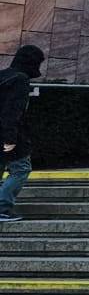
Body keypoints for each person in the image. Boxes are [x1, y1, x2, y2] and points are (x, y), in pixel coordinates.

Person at [0, 45, 39, 224]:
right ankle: (2, 207)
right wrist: (10, 138)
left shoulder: (4, 75)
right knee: (21, 168)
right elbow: (13, 112)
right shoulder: (20, 80)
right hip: (8, 133)